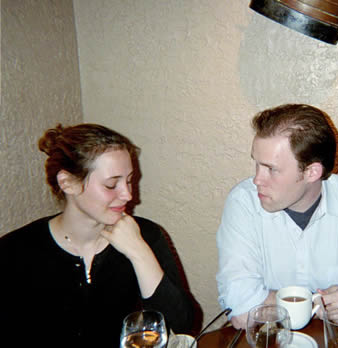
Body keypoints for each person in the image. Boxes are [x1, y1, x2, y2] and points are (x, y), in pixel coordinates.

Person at [0, 123, 198, 347]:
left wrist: (139, 252)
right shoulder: (14, 251)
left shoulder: (148, 236)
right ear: (67, 183)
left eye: (130, 180)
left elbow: (182, 324)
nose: (128, 195)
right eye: (111, 184)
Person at [216, 104, 338, 330]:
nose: (257, 179)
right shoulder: (243, 203)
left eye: (271, 169)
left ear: (311, 172)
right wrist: (319, 306)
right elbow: (239, 308)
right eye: (256, 164)